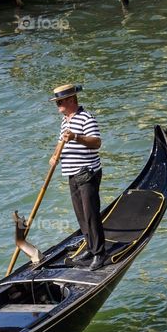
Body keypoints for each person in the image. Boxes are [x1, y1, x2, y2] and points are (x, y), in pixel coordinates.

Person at [48, 84, 106, 271]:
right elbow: (61, 141)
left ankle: (99, 253)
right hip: (71, 173)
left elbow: (96, 142)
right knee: (81, 215)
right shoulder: (65, 120)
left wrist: (76, 137)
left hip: (87, 172)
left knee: (91, 214)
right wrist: (55, 156)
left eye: (60, 101)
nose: (57, 105)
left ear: (71, 100)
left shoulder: (86, 118)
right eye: (57, 101)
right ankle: (90, 247)